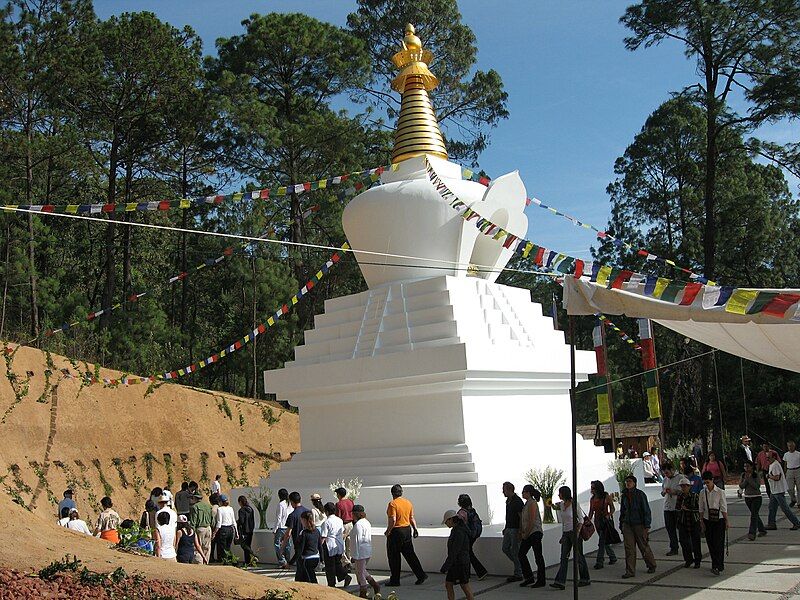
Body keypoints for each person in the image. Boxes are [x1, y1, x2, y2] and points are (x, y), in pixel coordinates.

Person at [384, 484, 426, 586]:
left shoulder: (393, 504)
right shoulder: (408, 503)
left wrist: (388, 531)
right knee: (410, 555)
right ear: (401, 492)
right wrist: (415, 529)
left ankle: (395, 580)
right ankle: (421, 575)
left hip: (396, 531)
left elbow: (393, 519)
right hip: (407, 530)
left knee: (394, 557)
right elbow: (411, 518)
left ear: (392, 493)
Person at [551, 485, 590, 590]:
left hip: (574, 532)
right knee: (564, 557)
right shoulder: (562, 505)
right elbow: (564, 522)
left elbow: (581, 519)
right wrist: (562, 535)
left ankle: (585, 578)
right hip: (566, 532)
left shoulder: (574, 504)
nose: (558, 495)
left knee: (578, 556)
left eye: (560, 493)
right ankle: (560, 581)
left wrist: (577, 531)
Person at [619, 475, 656, 578]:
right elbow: (623, 511)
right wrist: (621, 524)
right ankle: (630, 571)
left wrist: (647, 525)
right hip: (627, 524)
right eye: (626, 482)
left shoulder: (640, 495)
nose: (628, 483)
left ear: (634, 483)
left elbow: (646, 510)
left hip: (639, 524)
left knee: (643, 546)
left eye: (630, 481)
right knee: (629, 548)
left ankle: (651, 564)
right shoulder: (624, 495)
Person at [699, 470, 728, 575]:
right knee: (710, 543)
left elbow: (724, 507)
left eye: (708, 482)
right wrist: (701, 522)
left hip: (719, 520)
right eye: (705, 483)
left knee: (719, 543)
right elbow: (701, 508)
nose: (707, 484)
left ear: (712, 480)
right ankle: (714, 564)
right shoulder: (702, 492)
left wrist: (726, 521)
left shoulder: (720, 492)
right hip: (707, 520)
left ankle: (719, 564)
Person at [441, 509, 474, 600]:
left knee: (465, 586)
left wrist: (446, 566)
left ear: (451, 519)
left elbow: (455, 551)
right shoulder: (456, 530)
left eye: (446, 521)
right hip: (455, 564)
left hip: (461, 564)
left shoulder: (459, 532)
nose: (446, 524)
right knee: (448, 584)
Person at [517, 484, 545, 587]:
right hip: (528, 533)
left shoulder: (532, 503)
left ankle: (541, 580)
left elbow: (532, 520)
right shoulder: (526, 504)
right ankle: (529, 577)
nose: (522, 493)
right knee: (521, 554)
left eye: (524, 492)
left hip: (534, 532)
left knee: (538, 556)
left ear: (528, 493)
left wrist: (526, 533)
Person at [351, 504, 380, 598]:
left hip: (360, 552)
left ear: (355, 514)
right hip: (366, 550)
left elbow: (357, 540)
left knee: (360, 573)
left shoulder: (358, 525)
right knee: (362, 570)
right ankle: (374, 584)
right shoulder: (367, 522)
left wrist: (355, 555)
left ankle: (363, 590)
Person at [456, 494, 488, 580]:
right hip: (474, 534)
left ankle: (479, 572)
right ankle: (476, 572)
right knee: (469, 553)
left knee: (467, 554)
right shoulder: (472, 511)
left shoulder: (461, 513)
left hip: (467, 536)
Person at [588, 480, 617, 570]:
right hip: (597, 521)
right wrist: (588, 520)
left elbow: (612, 508)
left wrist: (608, 515)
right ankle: (612, 557)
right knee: (604, 542)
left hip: (605, 521)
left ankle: (599, 561)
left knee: (601, 541)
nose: (591, 489)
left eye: (593, 488)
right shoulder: (592, 499)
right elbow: (591, 512)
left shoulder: (606, 497)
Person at [766, 452, 800, 530]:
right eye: (767, 457)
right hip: (774, 490)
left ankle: (796, 523)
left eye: (769, 457)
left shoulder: (775, 465)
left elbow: (777, 477)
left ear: (774, 457)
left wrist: (769, 476)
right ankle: (771, 524)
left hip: (778, 490)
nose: (767, 459)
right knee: (772, 507)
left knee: (785, 508)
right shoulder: (772, 464)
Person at [320, 502, 351, 588]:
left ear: (326, 512)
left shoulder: (326, 522)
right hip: (339, 544)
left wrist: (319, 547)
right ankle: (345, 576)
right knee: (337, 563)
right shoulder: (339, 520)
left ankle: (331, 583)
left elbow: (323, 536)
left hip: (329, 544)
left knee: (329, 566)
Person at [675, 476, 701, 568]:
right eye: (682, 486)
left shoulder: (695, 496)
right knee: (684, 542)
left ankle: (697, 560)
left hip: (693, 521)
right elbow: (677, 508)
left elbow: (699, 509)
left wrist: (688, 509)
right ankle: (688, 559)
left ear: (689, 487)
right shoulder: (680, 496)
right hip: (683, 521)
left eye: (685, 486)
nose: (683, 488)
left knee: (696, 542)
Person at [501, 481, 524, 582]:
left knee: (515, 551)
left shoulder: (517, 501)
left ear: (509, 489)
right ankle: (519, 565)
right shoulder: (508, 501)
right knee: (505, 548)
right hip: (509, 528)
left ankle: (518, 572)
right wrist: (506, 527)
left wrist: (520, 530)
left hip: (515, 528)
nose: (503, 492)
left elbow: (521, 516)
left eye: (504, 490)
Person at [739, 460, 767, 540]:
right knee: (755, 514)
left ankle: (752, 533)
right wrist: (745, 480)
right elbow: (741, 485)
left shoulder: (756, 474)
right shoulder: (743, 475)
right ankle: (762, 529)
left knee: (753, 515)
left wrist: (749, 479)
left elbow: (756, 486)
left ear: (751, 466)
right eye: (745, 466)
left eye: (748, 466)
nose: (746, 468)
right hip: (748, 497)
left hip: (756, 497)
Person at [280, 491, 308, 565]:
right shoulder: (308, 511)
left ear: (291, 501)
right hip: (309, 542)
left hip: (298, 542)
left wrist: (282, 547)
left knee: (301, 566)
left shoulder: (292, 515)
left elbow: (288, 534)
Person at [295, 511, 322, 583]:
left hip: (307, 559)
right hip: (316, 558)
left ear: (304, 520)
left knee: (310, 578)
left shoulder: (304, 533)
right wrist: (322, 559)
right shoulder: (317, 531)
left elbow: (301, 548)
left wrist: (292, 561)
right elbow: (320, 545)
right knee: (309, 575)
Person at [661, 462, 681, 556]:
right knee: (670, 528)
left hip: (677, 507)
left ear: (672, 470)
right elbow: (662, 491)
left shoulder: (680, 478)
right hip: (667, 507)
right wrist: (664, 492)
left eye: (667, 473)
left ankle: (688, 546)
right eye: (665, 473)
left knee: (681, 528)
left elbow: (684, 491)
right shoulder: (665, 480)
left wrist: (675, 492)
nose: (666, 475)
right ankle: (674, 547)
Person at [189, 492, 213, 564]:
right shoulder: (208, 506)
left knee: (197, 547)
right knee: (207, 547)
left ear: (194, 498)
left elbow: (193, 520)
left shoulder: (194, 507)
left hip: (199, 529)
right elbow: (212, 518)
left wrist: (191, 530)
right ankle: (206, 562)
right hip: (208, 528)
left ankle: (199, 563)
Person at [213, 494, 239, 559]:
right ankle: (230, 560)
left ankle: (224, 561)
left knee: (222, 548)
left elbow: (219, 522)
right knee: (228, 547)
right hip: (230, 529)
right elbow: (234, 521)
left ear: (221, 502)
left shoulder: (220, 509)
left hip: (223, 529)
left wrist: (214, 533)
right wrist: (236, 532)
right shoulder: (230, 508)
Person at [334, 487, 354, 566]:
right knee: (348, 544)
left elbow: (338, 516)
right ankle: (349, 559)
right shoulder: (350, 502)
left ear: (339, 495)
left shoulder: (338, 504)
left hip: (343, 524)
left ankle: (346, 562)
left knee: (341, 544)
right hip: (351, 524)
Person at [273, 488, 293, 568]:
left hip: (281, 527)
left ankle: (282, 561)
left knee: (277, 544)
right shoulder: (289, 504)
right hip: (288, 527)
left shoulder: (281, 504)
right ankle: (288, 560)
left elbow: (279, 518)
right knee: (287, 544)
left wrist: (275, 529)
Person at [237, 495, 257, 566]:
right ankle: (248, 561)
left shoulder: (241, 510)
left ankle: (251, 556)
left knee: (244, 546)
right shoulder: (250, 509)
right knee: (248, 545)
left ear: (240, 502)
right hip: (250, 530)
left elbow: (241, 521)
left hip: (244, 530)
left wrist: (237, 522)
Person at [783, 440, 800, 507]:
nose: (790, 447)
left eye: (792, 446)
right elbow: (785, 464)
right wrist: (784, 472)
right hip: (789, 470)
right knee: (789, 488)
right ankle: (793, 499)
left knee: (799, 487)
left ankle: (799, 503)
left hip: (798, 470)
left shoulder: (798, 454)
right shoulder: (786, 454)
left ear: (794, 446)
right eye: (789, 446)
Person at [209, 492, 220, 562]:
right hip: (221, 528)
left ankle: (211, 557)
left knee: (212, 544)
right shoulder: (220, 508)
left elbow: (212, 521)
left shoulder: (212, 509)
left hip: (214, 528)